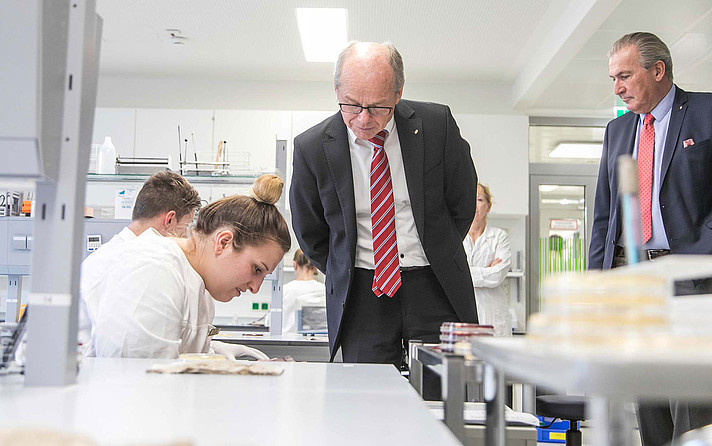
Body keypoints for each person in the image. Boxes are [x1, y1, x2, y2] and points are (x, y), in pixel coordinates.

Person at [290, 41, 478, 371]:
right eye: (351, 105)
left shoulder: (436, 125)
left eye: (378, 107)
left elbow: (462, 202)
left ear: (398, 92)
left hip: (435, 283)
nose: (364, 119)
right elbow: (310, 231)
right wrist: (346, 266)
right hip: (362, 292)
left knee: (441, 393)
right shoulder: (312, 147)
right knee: (368, 400)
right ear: (336, 90)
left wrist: (439, 246)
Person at [588, 32, 712, 445]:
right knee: (647, 394)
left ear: (657, 70)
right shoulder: (618, 130)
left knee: (689, 399)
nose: (618, 87)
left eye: (625, 75)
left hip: (691, 276)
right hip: (634, 279)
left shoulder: (706, 112)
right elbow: (604, 216)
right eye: (613, 79)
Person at [81, 174, 290, 359]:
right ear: (223, 242)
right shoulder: (155, 269)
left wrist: (215, 357)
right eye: (257, 270)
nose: (255, 288)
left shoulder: (199, 284)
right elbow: (135, 381)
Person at [78, 170, 201, 348]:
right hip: (96, 369)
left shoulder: (107, 256)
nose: (185, 235)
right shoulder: (134, 263)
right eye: (186, 225)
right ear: (170, 220)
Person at [463, 184, 512, 337]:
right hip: (464, 312)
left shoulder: (499, 237)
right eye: (469, 199)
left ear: (488, 206)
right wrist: (487, 270)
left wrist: (464, 274)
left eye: (479, 199)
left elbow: (497, 276)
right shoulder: (457, 238)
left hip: (493, 314)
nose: (474, 205)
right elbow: (449, 275)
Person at [281, 249, 326, 334]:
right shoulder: (324, 290)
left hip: (287, 342)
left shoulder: (284, 290)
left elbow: (271, 323)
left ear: (295, 265)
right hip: (317, 342)